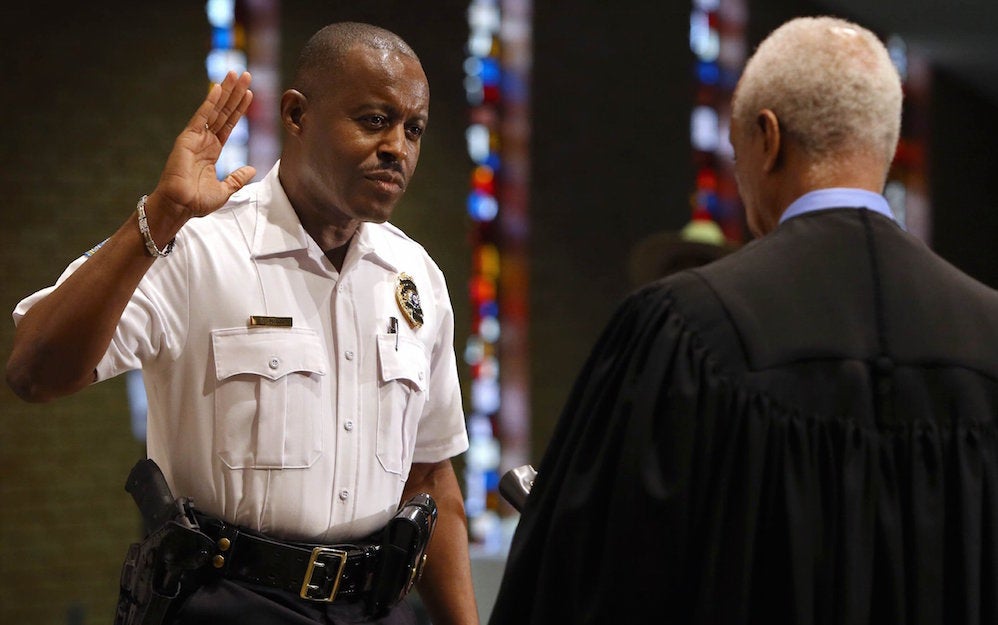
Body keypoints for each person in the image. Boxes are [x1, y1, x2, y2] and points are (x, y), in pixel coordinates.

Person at [489, 15, 998, 625]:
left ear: (767, 138)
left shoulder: (685, 327)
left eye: (735, 154)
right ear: (884, 147)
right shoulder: (989, 331)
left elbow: (598, 579)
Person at [7, 22, 478, 625]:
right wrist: (161, 215)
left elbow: (430, 474)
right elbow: (34, 372)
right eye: (373, 120)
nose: (398, 147)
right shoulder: (196, 244)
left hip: (377, 605)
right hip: (228, 602)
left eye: (413, 129)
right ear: (297, 115)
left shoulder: (415, 276)